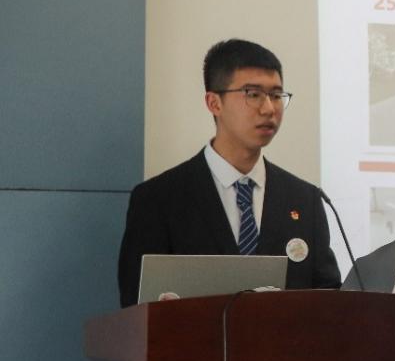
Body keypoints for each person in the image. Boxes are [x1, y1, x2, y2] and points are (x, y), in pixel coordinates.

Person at [117, 39, 341, 308]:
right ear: (214, 103)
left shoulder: (304, 200)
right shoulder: (158, 199)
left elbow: (330, 300)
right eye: (253, 94)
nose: (269, 108)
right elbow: (136, 307)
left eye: (276, 95)